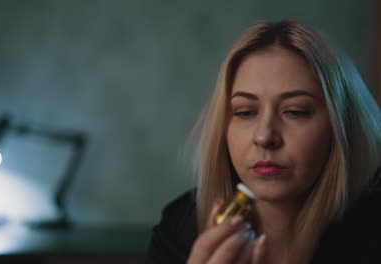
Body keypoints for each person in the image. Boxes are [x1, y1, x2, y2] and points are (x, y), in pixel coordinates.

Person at [146, 20, 381, 264]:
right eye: (245, 112)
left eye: (295, 111)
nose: (265, 137)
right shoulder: (179, 229)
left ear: (340, 125)